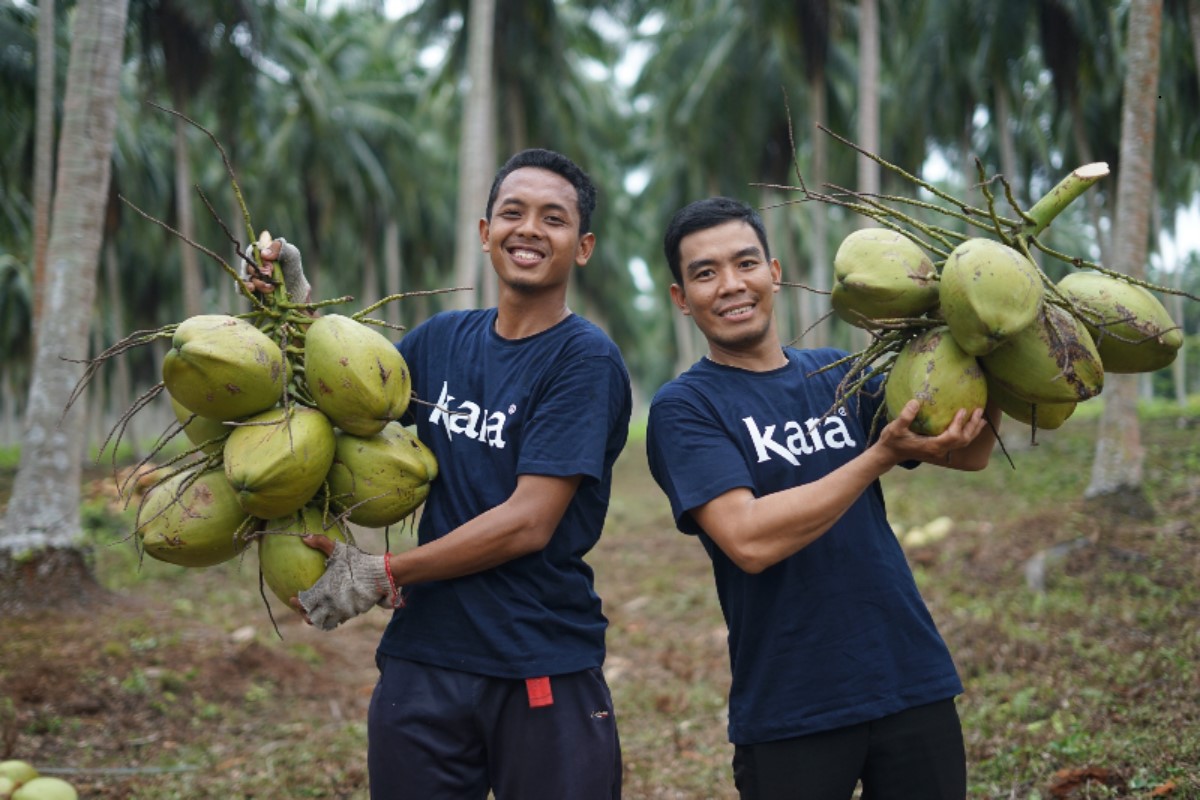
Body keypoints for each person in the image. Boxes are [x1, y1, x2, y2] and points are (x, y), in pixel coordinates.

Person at [259, 149, 630, 799]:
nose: (530, 229)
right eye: (512, 213)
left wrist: (384, 572)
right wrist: (294, 306)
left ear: (584, 245)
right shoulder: (440, 341)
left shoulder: (584, 360)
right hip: (424, 657)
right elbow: (345, 403)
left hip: (537, 657)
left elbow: (528, 522)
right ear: (486, 233)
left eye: (554, 218)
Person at [644, 197, 1000, 800]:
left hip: (908, 678)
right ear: (682, 298)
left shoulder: (840, 373)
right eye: (705, 273)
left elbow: (967, 452)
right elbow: (749, 539)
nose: (731, 285)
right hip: (792, 705)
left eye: (745, 263)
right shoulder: (686, 408)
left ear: (774, 272)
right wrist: (877, 457)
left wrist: (986, 340)